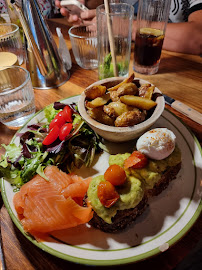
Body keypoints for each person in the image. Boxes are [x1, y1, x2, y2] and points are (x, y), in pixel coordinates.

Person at [55, 0, 202, 55]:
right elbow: (105, 5)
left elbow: (198, 37)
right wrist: (83, 6)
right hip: (126, 62)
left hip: (176, 74)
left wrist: (126, 26)